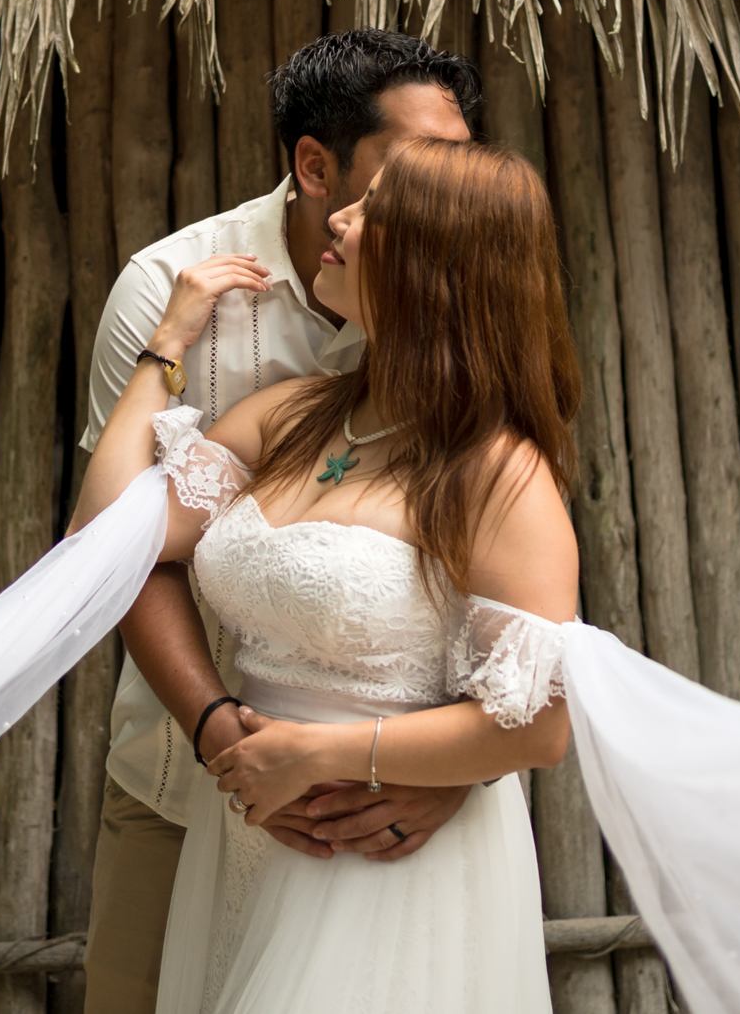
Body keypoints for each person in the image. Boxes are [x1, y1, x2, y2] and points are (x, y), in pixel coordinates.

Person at [75, 138, 579, 1013]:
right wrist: (163, 348)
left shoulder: (501, 475)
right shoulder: (292, 416)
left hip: (387, 869)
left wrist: (321, 754)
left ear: (435, 261)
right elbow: (103, 541)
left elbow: (539, 727)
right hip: (241, 846)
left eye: (373, 207)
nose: (340, 217)